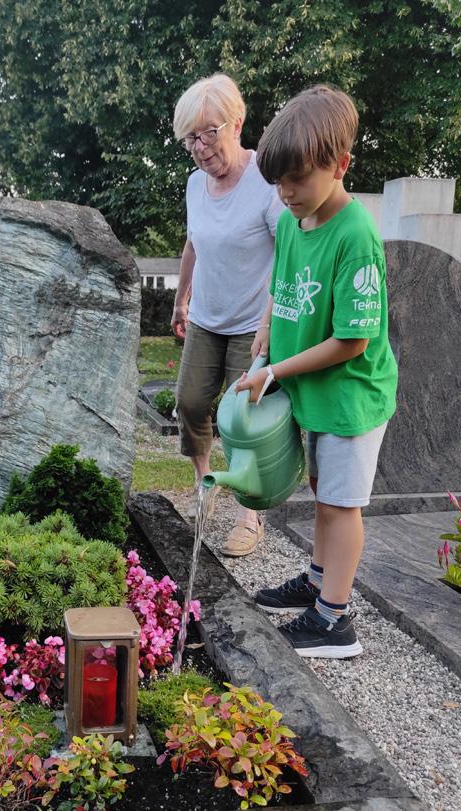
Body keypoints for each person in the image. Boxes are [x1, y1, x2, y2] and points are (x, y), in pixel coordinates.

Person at [235, 85, 398, 658]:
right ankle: (317, 580)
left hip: (351, 397)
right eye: (277, 183)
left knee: (340, 504)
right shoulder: (291, 222)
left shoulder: (356, 236)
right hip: (313, 390)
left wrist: (275, 369)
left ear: (340, 164)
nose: (286, 193)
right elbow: (280, 283)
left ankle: (334, 621)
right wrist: (265, 328)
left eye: (297, 179)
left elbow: (353, 340)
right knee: (321, 490)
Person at [171, 73, 284, 556]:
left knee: (243, 420)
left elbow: (289, 252)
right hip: (206, 318)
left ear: (236, 123)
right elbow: (193, 243)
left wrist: (270, 322)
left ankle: (249, 515)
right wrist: (181, 299)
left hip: (252, 324)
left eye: (208, 134)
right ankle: (206, 483)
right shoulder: (196, 185)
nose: (199, 148)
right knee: (190, 402)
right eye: (190, 139)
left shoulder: (267, 180)